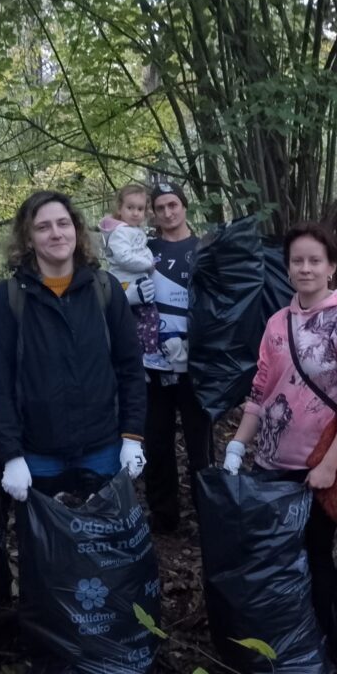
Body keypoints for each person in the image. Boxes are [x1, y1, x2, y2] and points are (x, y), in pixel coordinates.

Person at [221, 222, 337, 632]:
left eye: (314, 261)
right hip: (271, 461)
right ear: (287, 268)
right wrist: (238, 445)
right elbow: (261, 389)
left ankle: (320, 639)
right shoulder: (276, 323)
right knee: (270, 554)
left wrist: (328, 466)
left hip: (320, 464)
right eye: (297, 261)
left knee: (316, 552)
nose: (305, 268)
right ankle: (276, 634)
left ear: (331, 268)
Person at [0, 190, 146, 500]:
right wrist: (11, 454)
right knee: (48, 548)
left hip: (104, 449)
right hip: (37, 456)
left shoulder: (105, 289)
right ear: (28, 239)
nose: (56, 233)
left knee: (105, 545)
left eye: (63, 223)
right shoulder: (8, 299)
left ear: (76, 230)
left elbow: (129, 369)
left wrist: (132, 436)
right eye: (43, 227)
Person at [132, 182, 213, 533]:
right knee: (157, 440)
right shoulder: (143, 250)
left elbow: (220, 306)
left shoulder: (205, 248)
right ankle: (163, 516)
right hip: (152, 363)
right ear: (153, 212)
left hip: (194, 364)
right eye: (160, 207)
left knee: (201, 444)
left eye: (173, 205)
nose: (167, 213)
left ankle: (208, 511)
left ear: (184, 206)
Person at [99, 183, 168, 367]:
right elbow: (124, 257)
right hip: (128, 285)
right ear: (120, 208)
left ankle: (140, 356)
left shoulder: (133, 231)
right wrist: (149, 264)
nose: (135, 213)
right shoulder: (120, 232)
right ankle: (149, 354)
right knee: (150, 317)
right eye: (130, 208)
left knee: (139, 322)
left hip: (136, 284)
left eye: (140, 209)